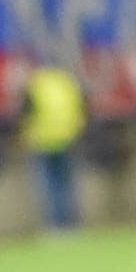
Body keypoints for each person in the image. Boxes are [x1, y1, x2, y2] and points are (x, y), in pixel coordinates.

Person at [21, 58, 87, 231]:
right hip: (68, 138)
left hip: (43, 141)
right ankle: (72, 223)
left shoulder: (36, 84)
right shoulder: (67, 82)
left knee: (48, 185)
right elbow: (83, 106)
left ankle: (55, 224)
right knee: (68, 183)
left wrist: (25, 135)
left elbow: (26, 112)